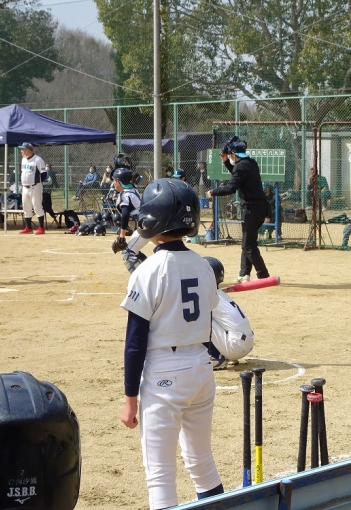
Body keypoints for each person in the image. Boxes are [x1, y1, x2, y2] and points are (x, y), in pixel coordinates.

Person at [119, 178, 224, 509]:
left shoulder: (149, 270)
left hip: (164, 372)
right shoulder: (205, 266)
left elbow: (135, 342)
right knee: (201, 462)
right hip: (201, 368)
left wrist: (130, 399)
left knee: (160, 474)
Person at [206, 138, 270, 283]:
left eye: (230, 155)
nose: (229, 156)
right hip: (260, 208)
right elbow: (238, 175)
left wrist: (213, 192)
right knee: (248, 242)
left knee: (248, 245)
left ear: (234, 154)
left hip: (251, 209)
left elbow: (231, 187)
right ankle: (244, 274)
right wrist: (226, 161)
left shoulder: (241, 167)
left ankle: (263, 275)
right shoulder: (251, 163)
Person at [203, 256, 256, 370]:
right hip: (246, 343)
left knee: (199, 318)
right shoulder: (219, 294)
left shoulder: (207, 295)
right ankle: (224, 354)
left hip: (235, 347)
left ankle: (215, 356)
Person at [109, 154, 146, 272]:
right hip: (146, 224)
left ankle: (143, 278)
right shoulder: (133, 189)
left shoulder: (125, 194)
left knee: (128, 252)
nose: (113, 183)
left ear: (118, 181)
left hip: (145, 226)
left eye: (114, 181)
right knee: (135, 251)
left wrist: (122, 235)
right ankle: (149, 270)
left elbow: (125, 214)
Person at [18, 142, 48, 235]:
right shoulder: (23, 159)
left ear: (28, 150)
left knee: (37, 207)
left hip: (35, 186)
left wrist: (40, 182)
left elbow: (44, 173)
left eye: (23, 149)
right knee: (26, 207)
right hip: (25, 187)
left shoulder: (38, 159)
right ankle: (28, 227)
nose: (21, 151)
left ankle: (41, 228)